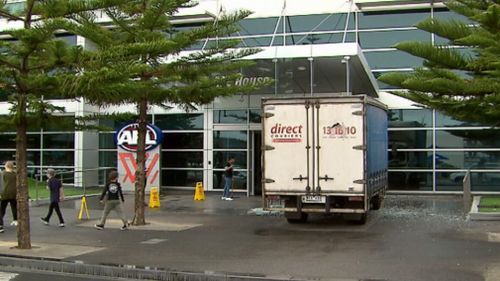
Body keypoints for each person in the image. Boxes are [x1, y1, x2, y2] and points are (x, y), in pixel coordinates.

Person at [0, 161, 17, 233]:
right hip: (13, 193)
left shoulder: (3, 174)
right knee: (14, 206)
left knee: (2, 208)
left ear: (6, 166)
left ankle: (0, 222)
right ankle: (15, 220)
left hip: (4, 193)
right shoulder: (15, 174)